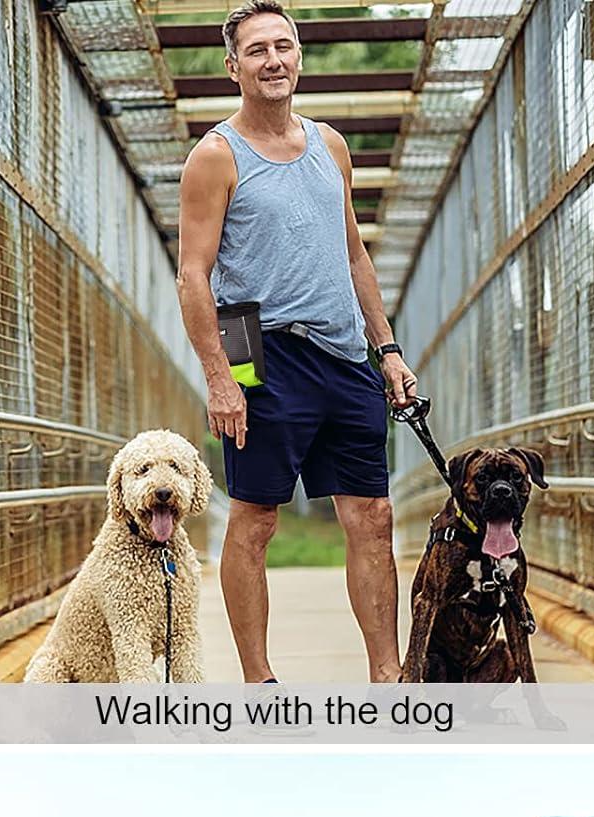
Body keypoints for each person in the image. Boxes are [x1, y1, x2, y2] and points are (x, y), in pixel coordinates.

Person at [177, 0, 421, 683]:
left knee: (372, 515)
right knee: (256, 518)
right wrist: (222, 377)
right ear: (233, 67)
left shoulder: (330, 146)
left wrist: (389, 349)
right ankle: (259, 682)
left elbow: (354, 256)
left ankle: (388, 675)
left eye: (284, 46)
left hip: (343, 350)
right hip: (254, 341)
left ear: (300, 57)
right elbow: (193, 274)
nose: (274, 60)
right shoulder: (215, 157)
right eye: (257, 50)